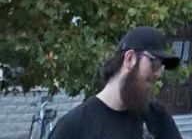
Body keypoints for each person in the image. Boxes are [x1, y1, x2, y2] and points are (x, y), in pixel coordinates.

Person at [49, 28, 182, 139]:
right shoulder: (74, 127)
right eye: (155, 64)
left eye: (161, 68)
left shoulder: (156, 117)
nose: (158, 74)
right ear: (129, 59)